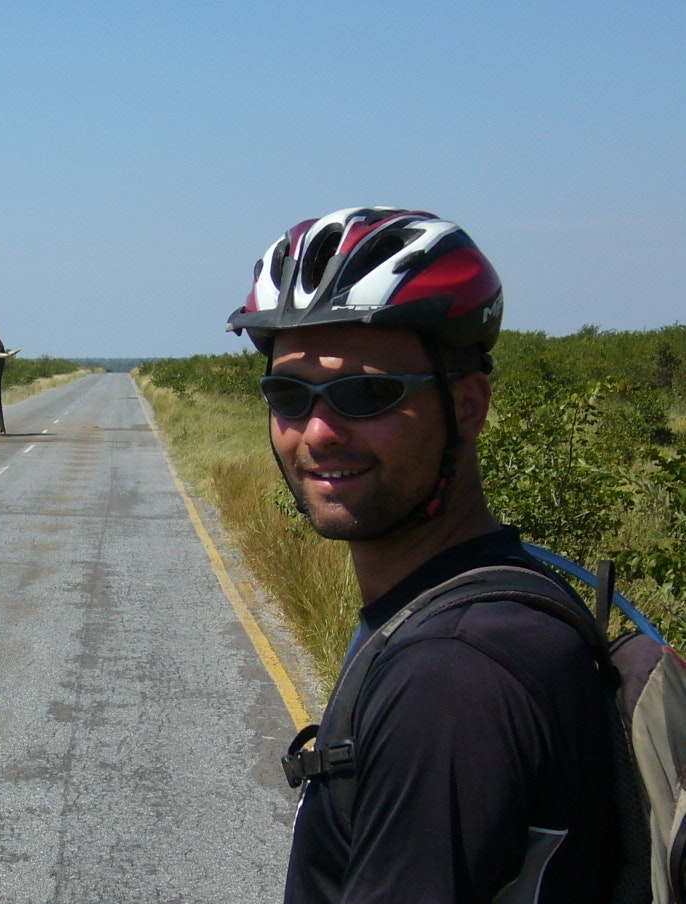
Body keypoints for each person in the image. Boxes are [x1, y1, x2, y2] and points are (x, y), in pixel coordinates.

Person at [226, 207, 616, 903]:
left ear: (468, 407)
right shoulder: (480, 600)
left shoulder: (452, 679)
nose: (317, 432)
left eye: (366, 394)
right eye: (288, 394)